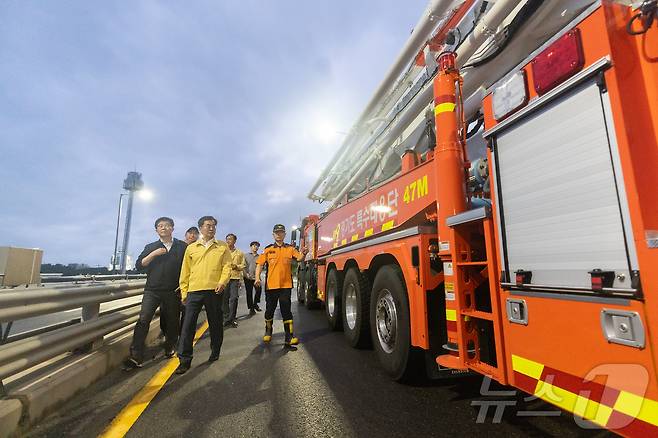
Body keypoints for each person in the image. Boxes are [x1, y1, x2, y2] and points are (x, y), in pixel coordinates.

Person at [124, 217, 187, 369]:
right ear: (156, 230)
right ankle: (136, 354)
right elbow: (139, 265)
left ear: (172, 228)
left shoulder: (182, 247)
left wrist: (185, 286)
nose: (164, 228)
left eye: (167, 225)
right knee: (143, 320)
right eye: (160, 226)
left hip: (173, 290)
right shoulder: (151, 246)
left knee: (172, 320)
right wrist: (154, 254)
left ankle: (170, 346)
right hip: (152, 290)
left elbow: (189, 267)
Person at [176, 216, 232, 374]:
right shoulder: (192, 248)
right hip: (194, 291)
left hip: (214, 291)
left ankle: (215, 350)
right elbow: (185, 271)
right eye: (208, 225)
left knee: (215, 324)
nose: (212, 228)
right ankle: (185, 360)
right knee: (187, 326)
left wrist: (222, 282)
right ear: (200, 228)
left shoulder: (221, 246)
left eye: (214, 226)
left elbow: (227, 266)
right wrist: (184, 291)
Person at [255, 224, 307, 346]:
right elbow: (259, 265)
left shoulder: (290, 248)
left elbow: (299, 258)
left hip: (285, 286)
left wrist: (304, 253)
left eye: (281, 232)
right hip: (271, 286)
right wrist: (257, 278)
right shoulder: (268, 249)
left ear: (284, 234)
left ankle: (289, 336)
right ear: (273, 235)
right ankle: (268, 331)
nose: (279, 234)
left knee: (286, 311)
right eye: (276, 232)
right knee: (269, 310)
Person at [222, 233, 245, 328]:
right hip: (224, 278)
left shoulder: (239, 253)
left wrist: (236, 266)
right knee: (224, 299)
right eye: (227, 239)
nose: (228, 241)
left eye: (230, 239)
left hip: (234, 278)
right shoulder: (222, 252)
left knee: (234, 298)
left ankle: (232, 318)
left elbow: (243, 265)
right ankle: (226, 317)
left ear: (235, 241)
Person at [243, 241, 261, 315]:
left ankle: (255, 303)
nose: (255, 247)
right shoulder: (246, 255)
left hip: (256, 278)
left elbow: (261, 266)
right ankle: (251, 308)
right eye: (254, 246)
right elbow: (243, 265)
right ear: (251, 247)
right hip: (248, 277)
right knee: (249, 293)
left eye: (257, 246)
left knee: (259, 291)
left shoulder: (260, 257)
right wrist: (246, 274)